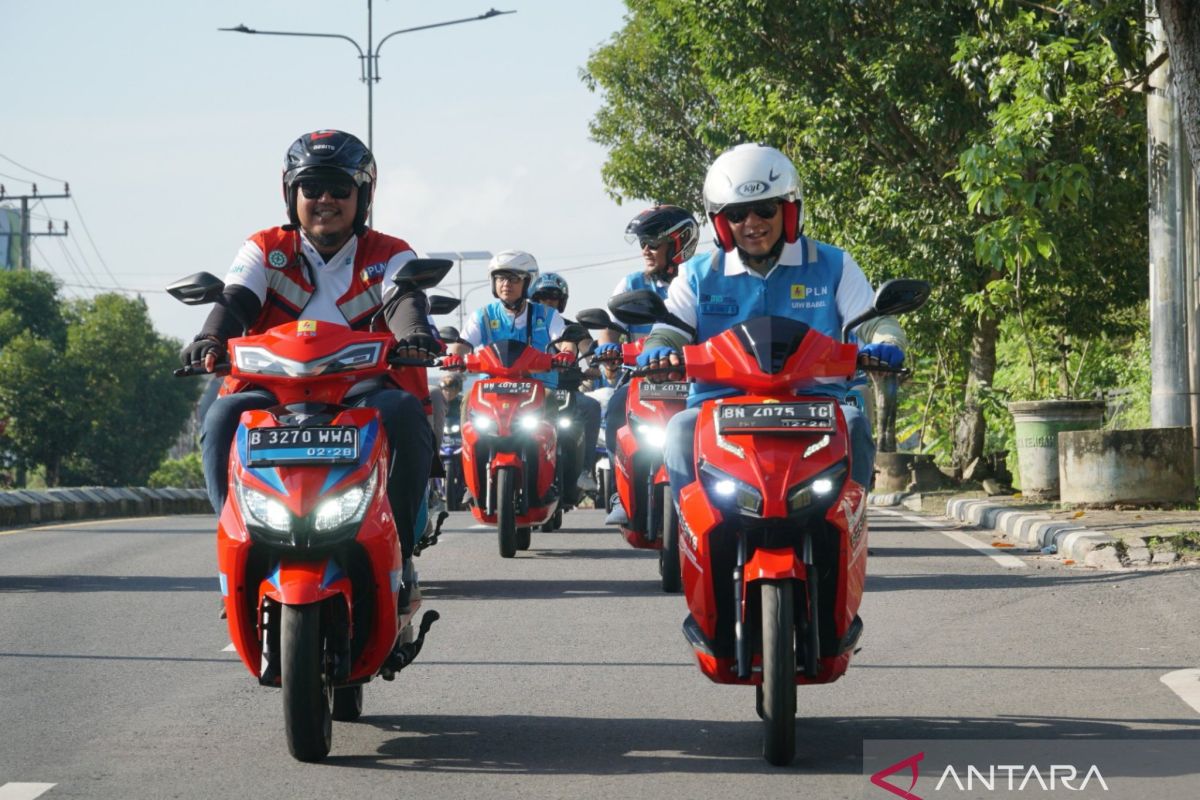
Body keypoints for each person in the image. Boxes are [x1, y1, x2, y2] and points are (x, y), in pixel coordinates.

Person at [182, 130, 439, 573]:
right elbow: (235, 299)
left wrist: (414, 332)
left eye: (340, 188)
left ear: (363, 196)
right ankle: (238, 545)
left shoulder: (391, 253)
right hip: (274, 393)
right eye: (311, 187)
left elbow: (405, 300)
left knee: (403, 412)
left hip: (360, 393)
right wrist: (210, 338)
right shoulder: (264, 248)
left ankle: (399, 549)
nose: (325, 199)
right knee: (222, 416)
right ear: (291, 193)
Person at [636, 143, 907, 502]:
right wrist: (658, 353)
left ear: (789, 210)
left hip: (816, 404)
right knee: (681, 428)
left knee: (855, 424)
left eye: (765, 209)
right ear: (720, 221)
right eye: (737, 214)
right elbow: (669, 331)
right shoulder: (697, 274)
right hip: (718, 406)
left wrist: (887, 342)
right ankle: (687, 540)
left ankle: (848, 523)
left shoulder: (833, 263)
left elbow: (873, 322)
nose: (752, 224)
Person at [443, 251, 594, 498]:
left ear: (527, 282)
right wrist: (454, 356)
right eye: (500, 278)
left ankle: (552, 476)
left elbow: (565, 340)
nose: (506, 284)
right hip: (492, 388)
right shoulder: (483, 315)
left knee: (556, 414)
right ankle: (472, 480)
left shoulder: (548, 315)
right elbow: (462, 343)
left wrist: (567, 353)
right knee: (468, 398)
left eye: (514, 278)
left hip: (538, 386)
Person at [595, 205, 699, 523]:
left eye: (653, 242)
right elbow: (609, 327)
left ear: (679, 243)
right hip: (642, 378)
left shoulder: (701, 278)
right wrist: (609, 350)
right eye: (642, 242)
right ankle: (619, 491)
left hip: (698, 379)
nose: (645, 249)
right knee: (614, 408)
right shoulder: (630, 283)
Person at [529, 272, 602, 494]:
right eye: (542, 298)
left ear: (561, 302)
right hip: (531, 395)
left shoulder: (573, 329)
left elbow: (589, 352)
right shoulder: (524, 328)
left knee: (592, 406)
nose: (547, 302)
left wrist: (594, 365)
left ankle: (585, 470)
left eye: (553, 298)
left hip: (567, 394)